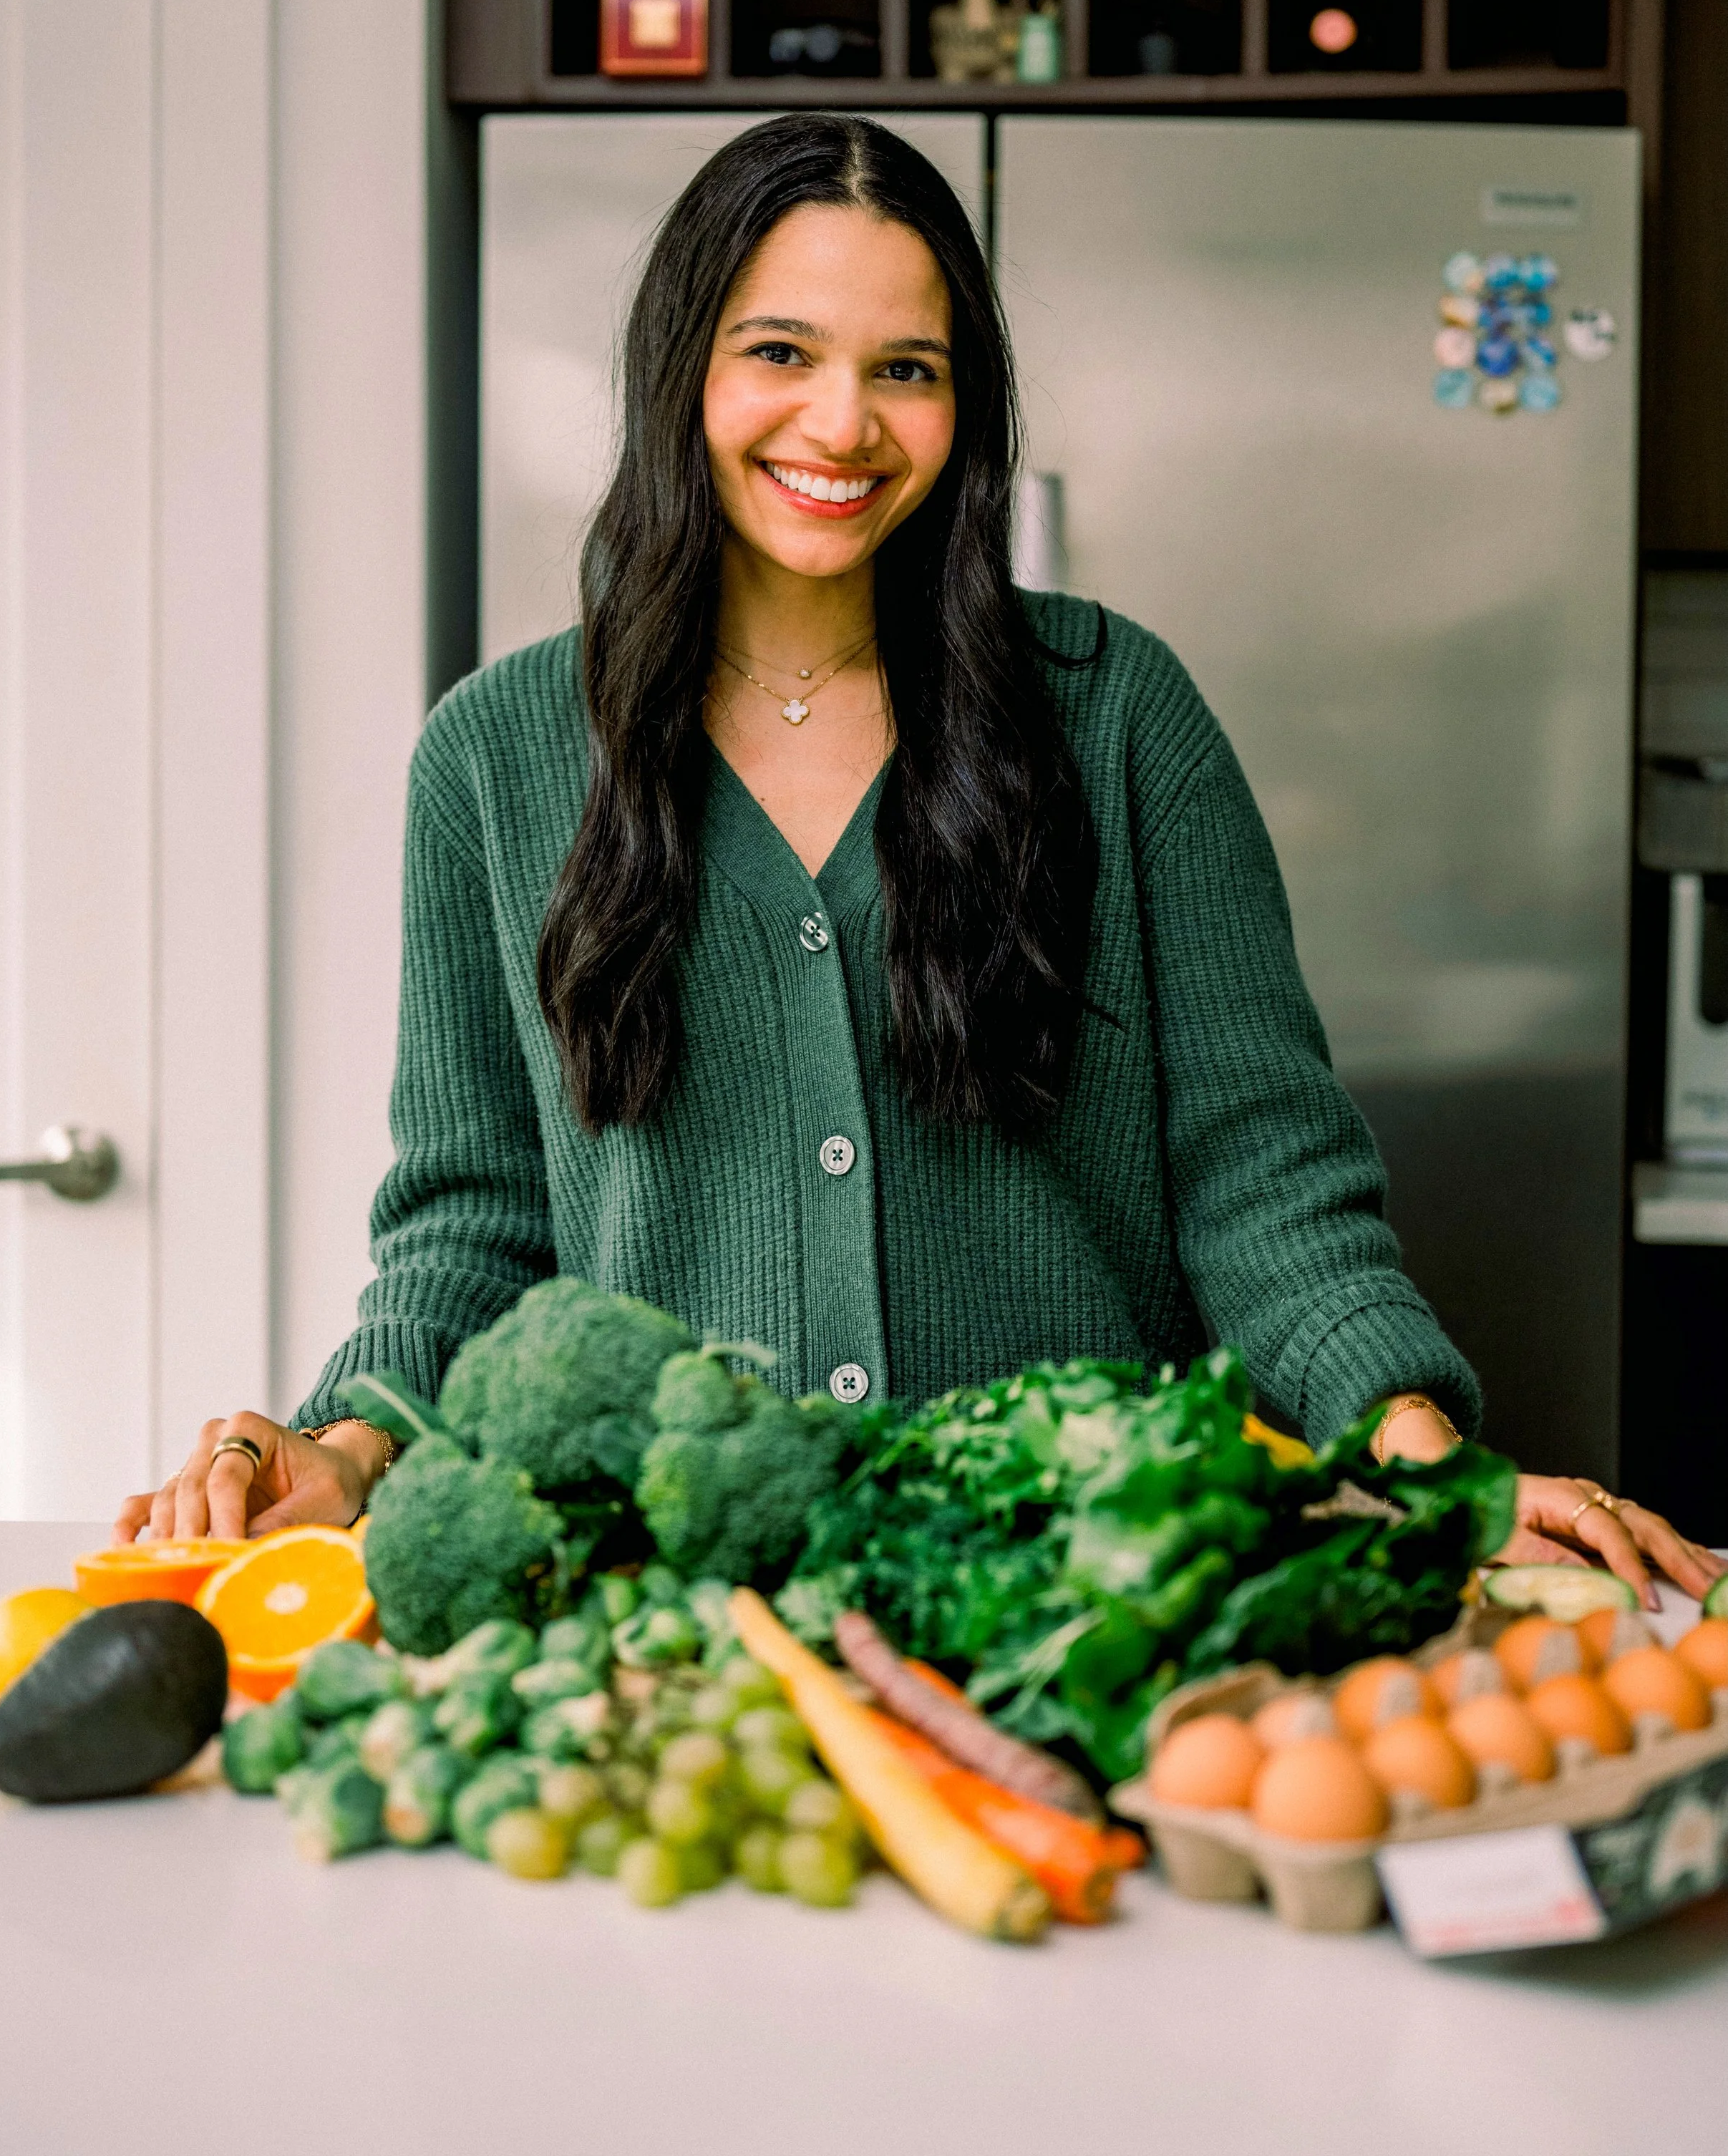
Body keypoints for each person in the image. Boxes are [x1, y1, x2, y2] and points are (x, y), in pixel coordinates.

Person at [118, 115, 1719, 1611]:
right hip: (669, 1627)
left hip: (1080, 1599)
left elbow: (1262, 1178)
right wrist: (341, 1439)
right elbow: (472, 1219)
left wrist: (1431, 1471)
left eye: (906, 368)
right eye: (779, 354)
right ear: (680, 369)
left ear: (965, 413)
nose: (842, 423)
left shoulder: (1116, 717)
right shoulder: (495, 757)